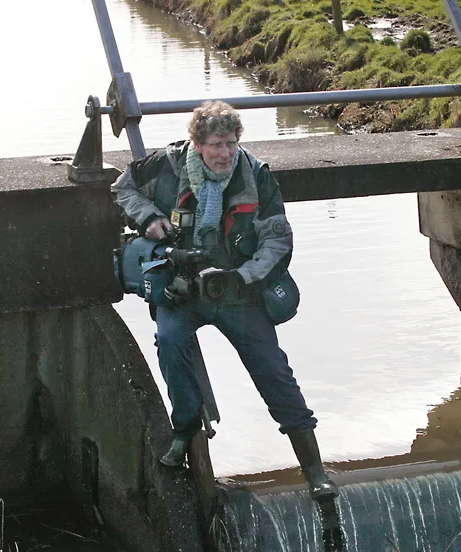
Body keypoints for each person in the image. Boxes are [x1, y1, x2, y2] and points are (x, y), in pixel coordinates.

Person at [111, 100, 338, 500]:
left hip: (237, 291)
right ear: (197, 144)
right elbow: (122, 187)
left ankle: (315, 470)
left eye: (231, 144)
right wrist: (148, 218)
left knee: (274, 369)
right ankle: (184, 430)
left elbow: (277, 240)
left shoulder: (256, 175)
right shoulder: (166, 164)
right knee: (171, 343)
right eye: (216, 145)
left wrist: (242, 277)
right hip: (182, 288)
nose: (225, 154)